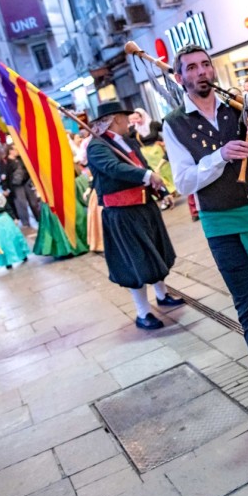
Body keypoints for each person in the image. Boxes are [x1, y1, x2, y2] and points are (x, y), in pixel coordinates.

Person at [164, 44, 248, 427]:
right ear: (180, 78)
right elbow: (183, 182)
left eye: (205, 64)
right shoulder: (174, 123)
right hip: (221, 223)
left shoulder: (239, 106)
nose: (201, 71)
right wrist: (220, 156)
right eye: (192, 67)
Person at [86, 101, 185, 330]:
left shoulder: (128, 141)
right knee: (136, 261)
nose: (129, 121)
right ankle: (143, 313)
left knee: (157, 252)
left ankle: (162, 295)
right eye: (125, 117)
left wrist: (161, 191)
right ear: (116, 119)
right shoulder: (97, 146)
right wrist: (147, 175)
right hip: (122, 213)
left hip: (144, 206)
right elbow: (114, 168)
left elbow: (143, 165)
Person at [129, 108, 178, 209]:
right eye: (134, 118)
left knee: (165, 172)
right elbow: (128, 139)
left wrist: (165, 142)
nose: (137, 120)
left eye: (138, 118)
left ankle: (170, 193)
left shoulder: (153, 124)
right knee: (155, 174)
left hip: (158, 152)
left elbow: (167, 130)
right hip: (146, 155)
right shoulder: (135, 129)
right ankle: (164, 196)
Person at [4, 146, 40, 228]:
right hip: (16, 185)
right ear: (10, 151)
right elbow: (6, 176)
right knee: (21, 204)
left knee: (33, 202)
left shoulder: (21, 159)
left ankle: (39, 218)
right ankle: (25, 223)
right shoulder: (7, 162)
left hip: (26, 182)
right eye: (15, 149)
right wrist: (5, 187)